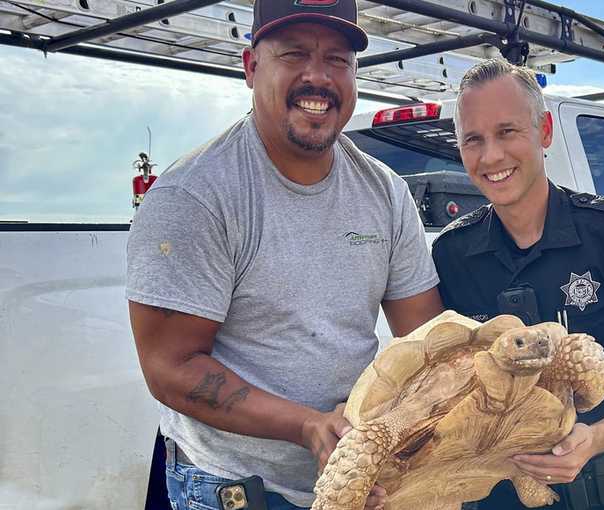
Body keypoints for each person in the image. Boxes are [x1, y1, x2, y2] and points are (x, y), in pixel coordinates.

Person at [126, 1, 443, 509]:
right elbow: (170, 366)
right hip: (232, 489)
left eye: (337, 59)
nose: (318, 77)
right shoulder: (196, 195)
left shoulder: (384, 191)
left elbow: (428, 341)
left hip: (354, 480)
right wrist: (308, 426)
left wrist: (397, 433)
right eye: (294, 54)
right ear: (252, 68)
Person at [432, 58, 604, 510]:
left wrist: (596, 438)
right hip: (495, 496)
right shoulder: (451, 253)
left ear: (544, 131)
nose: (491, 157)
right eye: (473, 140)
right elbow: (440, 383)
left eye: (507, 132)